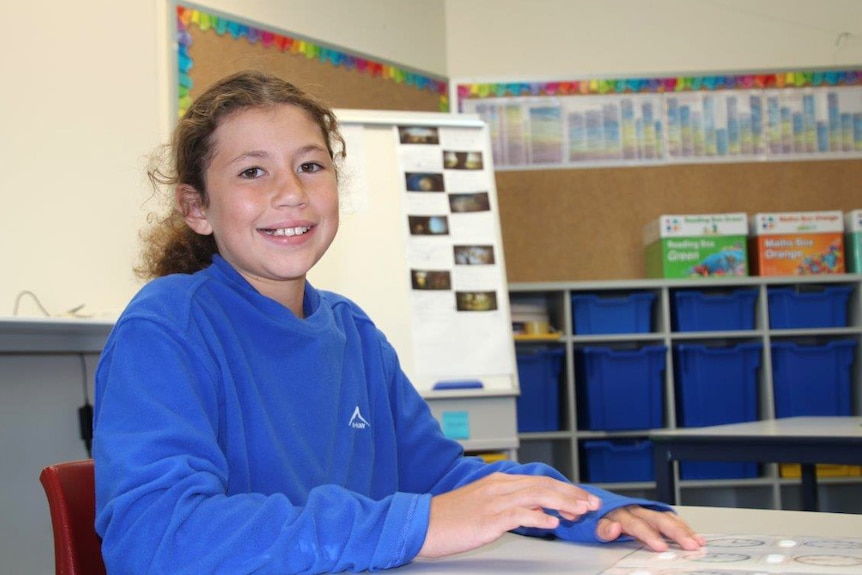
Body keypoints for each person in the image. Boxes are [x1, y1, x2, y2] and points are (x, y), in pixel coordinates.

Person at [93, 70, 704, 575]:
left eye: (311, 166)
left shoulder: (351, 331)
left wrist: (588, 509)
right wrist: (416, 525)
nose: (291, 194)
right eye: (253, 172)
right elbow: (157, 538)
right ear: (196, 207)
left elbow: (440, 476)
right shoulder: (166, 326)